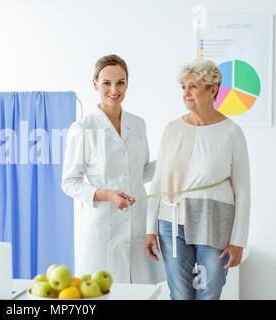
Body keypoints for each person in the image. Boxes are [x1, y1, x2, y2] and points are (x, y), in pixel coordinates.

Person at [144, 59, 251, 299]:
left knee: (209, 293)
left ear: (213, 90)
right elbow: (158, 180)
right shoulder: (172, 128)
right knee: (180, 294)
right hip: (171, 222)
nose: (186, 93)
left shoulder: (231, 132)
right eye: (183, 87)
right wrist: (150, 229)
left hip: (214, 220)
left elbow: (243, 190)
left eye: (192, 87)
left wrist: (238, 240)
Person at [61, 54, 165, 284]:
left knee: (140, 290)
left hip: (137, 226)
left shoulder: (138, 124)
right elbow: (70, 182)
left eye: (120, 82)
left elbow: (141, 172)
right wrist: (107, 194)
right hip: (103, 227)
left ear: (127, 83)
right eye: (106, 83)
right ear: (95, 84)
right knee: (103, 291)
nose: (113, 90)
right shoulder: (83, 128)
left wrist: (170, 161)